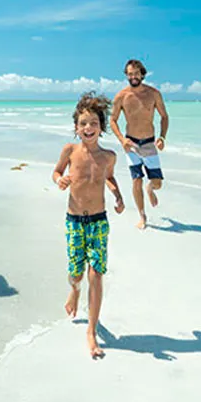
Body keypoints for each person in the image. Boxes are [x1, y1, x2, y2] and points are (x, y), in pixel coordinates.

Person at [52, 91, 125, 359]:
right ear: (76, 128)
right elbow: (57, 171)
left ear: (101, 127)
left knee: (97, 273)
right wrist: (59, 180)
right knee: (77, 274)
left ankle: (91, 331)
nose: (88, 127)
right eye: (83, 123)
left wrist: (117, 195)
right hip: (74, 221)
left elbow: (110, 178)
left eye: (94, 122)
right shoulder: (69, 151)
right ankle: (74, 291)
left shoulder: (108, 156)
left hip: (98, 222)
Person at [109, 59, 169, 229]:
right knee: (136, 180)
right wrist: (122, 140)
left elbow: (164, 116)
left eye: (136, 73)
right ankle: (142, 216)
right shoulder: (122, 96)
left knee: (157, 182)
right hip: (131, 145)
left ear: (142, 74)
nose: (133, 77)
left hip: (150, 143)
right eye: (129, 74)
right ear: (126, 75)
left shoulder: (154, 94)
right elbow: (113, 120)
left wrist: (162, 137)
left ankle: (150, 189)